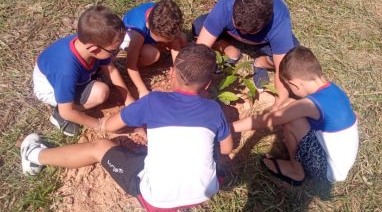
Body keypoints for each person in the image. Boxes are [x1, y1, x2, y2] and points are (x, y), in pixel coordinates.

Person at [21, 43, 233, 211]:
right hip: (207, 191)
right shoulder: (214, 109)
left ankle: (33, 155)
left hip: (156, 199)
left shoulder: (153, 101)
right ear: (207, 85)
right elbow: (226, 149)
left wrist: (122, 123)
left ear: (171, 73)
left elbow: (111, 126)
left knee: (99, 147)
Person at [233, 46, 359, 185]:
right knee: (293, 108)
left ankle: (295, 171)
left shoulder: (310, 105)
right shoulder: (333, 89)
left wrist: (230, 127)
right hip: (342, 159)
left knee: (292, 119)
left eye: (289, 86)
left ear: (294, 84)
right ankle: (299, 150)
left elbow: (270, 119)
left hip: (327, 169)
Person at [33, 5, 135, 136]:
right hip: (50, 89)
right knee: (101, 92)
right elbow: (67, 111)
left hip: (70, 76)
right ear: (94, 49)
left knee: (102, 78)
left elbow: (111, 70)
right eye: (114, 50)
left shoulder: (92, 42)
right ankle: (57, 114)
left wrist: (127, 97)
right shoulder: (67, 70)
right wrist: (98, 124)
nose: (117, 52)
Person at [193, 0, 299, 109]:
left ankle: (261, 62)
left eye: (249, 31)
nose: (242, 33)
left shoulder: (279, 21)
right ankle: (230, 50)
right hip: (228, 33)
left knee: (293, 61)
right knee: (198, 27)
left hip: (262, 42)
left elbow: (282, 67)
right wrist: (196, 85)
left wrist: (279, 105)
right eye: (238, 27)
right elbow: (200, 50)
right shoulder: (225, 5)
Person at [121, 0, 187, 98]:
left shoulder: (166, 17)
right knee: (152, 55)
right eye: (164, 40)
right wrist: (142, 90)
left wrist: (177, 68)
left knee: (183, 39)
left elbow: (176, 43)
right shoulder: (137, 32)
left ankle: (158, 45)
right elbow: (130, 65)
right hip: (130, 37)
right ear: (148, 25)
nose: (168, 42)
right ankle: (141, 63)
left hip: (150, 34)